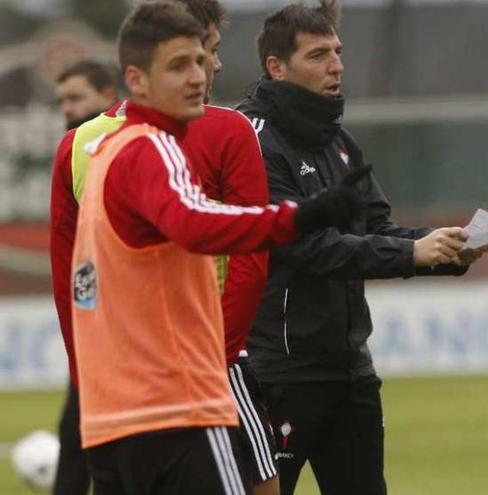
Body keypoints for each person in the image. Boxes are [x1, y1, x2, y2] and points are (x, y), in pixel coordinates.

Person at [68, 2, 365, 494]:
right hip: (175, 404)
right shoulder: (151, 148)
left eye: (199, 59)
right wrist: (299, 216)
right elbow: (195, 222)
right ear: (137, 81)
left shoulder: (108, 151)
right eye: (178, 65)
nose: (199, 74)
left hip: (115, 413)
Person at [236, 2, 488, 493]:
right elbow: (306, 246)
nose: (336, 65)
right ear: (276, 66)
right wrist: (413, 254)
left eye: (337, 52)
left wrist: (444, 250)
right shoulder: (254, 142)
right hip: (280, 373)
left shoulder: (339, 141)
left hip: (350, 369)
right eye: (317, 55)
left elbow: (376, 227)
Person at [50, 1, 284, 493]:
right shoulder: (187, 138)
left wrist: (86, 377)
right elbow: (221, 242)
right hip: (191, 377)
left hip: (115, 394)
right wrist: (297, 219)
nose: (209, 69)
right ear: (143, 73)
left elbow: (74, 282)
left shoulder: (91, 145)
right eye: (196, 56)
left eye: (206, 57)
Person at [50, 59, 120, 495]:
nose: (67, 109)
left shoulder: (128, 147)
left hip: (135, 332)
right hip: (97, 331)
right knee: (77, 439)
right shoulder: (72, 152)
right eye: (62, 101)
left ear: (109, 95)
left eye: (76, 98)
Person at [54, 60, 119, 130]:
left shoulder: (128, 137)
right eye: (60, 102)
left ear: (108, 96)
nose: (66, 110)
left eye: (74, 98)